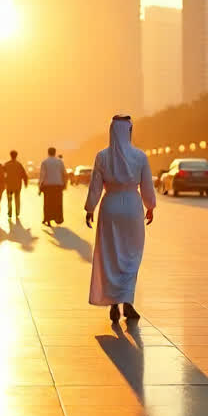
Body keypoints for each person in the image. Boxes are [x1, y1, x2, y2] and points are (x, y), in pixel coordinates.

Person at [85, 116, 157, 322]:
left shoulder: (102, 157)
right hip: (133, 209)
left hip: (110, 208)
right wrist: (150, 206)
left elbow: (95, 187)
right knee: (131, 256)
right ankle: (127, 303)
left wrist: (90, 208)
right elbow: (147, 188)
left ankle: (114, 305)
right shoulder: (140, 157)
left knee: (110, 256)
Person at [38, 147, 68, 226]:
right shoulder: (60, 162)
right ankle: (58, 218)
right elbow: (64, 173)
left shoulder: (44, 162)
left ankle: (47, 218)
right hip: (58, 185)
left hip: (47, 186)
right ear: (55, 153)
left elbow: (42, 175)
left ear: (48, 153)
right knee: (58, 203)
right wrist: (65, 184)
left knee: (48, 203)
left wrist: (40, 186)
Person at [4, 150, 29, 222]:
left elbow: (2, 174)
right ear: (16, 156)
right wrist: (25, 183)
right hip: (17, 185)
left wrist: (3, 182)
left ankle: (9, 212)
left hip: (9, 185)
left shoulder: (6, 164)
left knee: (9, 199)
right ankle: (17, 212)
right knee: (17, 199)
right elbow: (24, 175)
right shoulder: (19, 165)